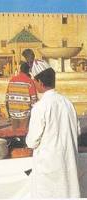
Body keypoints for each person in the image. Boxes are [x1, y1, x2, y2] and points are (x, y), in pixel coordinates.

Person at [26, 59, 80, 198]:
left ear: (40, 83)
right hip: (68, 165)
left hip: (48, 169)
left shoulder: (40, 107)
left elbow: (32, 142)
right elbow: (77, 131)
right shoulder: (68, 103)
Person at [6, 63, 37, 133]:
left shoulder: (12, 80)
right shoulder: (29, 81)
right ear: (28, 70)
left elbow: (7, 97)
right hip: (25, 112)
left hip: (13, 112)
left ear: (20, 69)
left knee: (14, 133)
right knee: (23, 133)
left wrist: (9, 112)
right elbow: (34, 99)